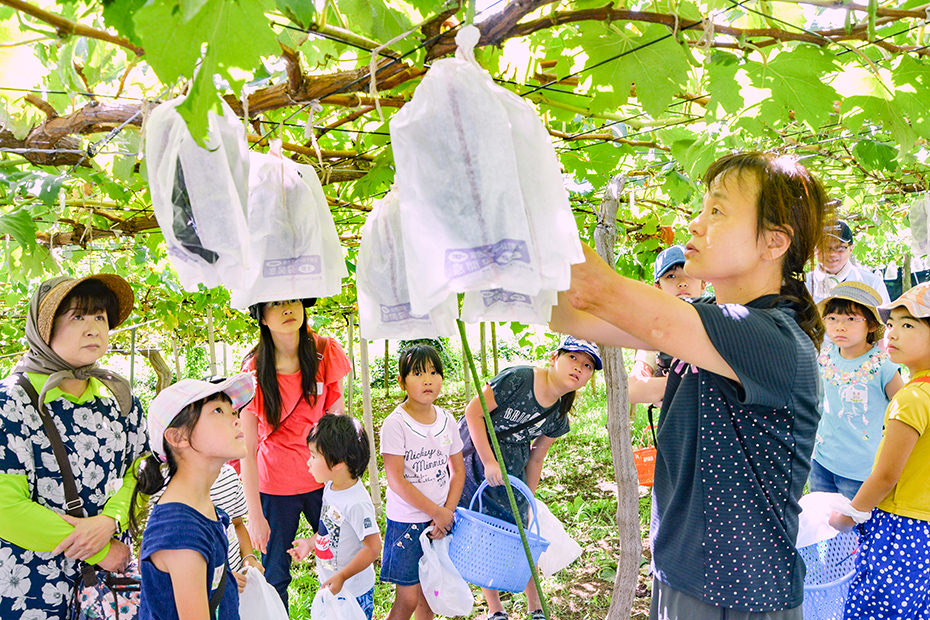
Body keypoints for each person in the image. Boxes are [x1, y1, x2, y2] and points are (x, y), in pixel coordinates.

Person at [551, 152, 828, 619]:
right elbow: (572, 314)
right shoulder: (710, 328)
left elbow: (595, 289)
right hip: (686, 572)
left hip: (737, 594)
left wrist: (516, 189)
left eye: (716, 211)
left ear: (774, 242)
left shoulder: (769, 336)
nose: (695, 225)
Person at [0, 274, 146, 619]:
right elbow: (5, 508)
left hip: (105, 591)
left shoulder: (119, 400)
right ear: (44, 327)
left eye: (100, 318)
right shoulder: (11, 402)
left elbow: (143, 469)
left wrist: (111, 519)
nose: (94, 328)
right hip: (28, 584)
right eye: (78, 317)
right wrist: (98, 550)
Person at [459, 335, 601, 620]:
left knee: (520, 531)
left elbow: (537, 456)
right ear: (554, 357)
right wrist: (489, 461)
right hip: (477, 453)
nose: (578, 368)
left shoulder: (559, 413)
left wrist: (528, 496)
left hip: (513, 463)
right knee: (487, 529)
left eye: (587, 365)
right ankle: (495, 608)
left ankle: (535, 606)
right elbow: (473, 413)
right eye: (573, 357)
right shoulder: (518, 379)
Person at [239, 298, 351, 608]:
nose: (287, 309)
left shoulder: (325, 351)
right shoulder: (253, 370)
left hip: (323, 482)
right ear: (261, 316)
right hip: (275, 486)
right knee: (275, 576)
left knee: (342, 557)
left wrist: (345, 488)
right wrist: (256, 515)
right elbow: (247, 449)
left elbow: (338, 430)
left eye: (292, 300)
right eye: (276, 303)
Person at [829, 282, 930, 619]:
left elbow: (887, 475)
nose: (893, 334)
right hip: (924, 527)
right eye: (891, 325)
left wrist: (850, 514)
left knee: (878, 607)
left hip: (900, 528)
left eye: (908, 325)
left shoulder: (912, 398)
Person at [132, 374, 255, 620]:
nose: (236, 420)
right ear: (178, 438)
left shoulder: (201, 507)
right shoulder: (179, 532)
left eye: (233, 412)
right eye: (218, 411)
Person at [380, 344, 465, 620]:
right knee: (408, 598)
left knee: (430, 597)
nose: (428, 379)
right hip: (407, 522)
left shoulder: (447, 420)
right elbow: (396, 480)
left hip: (440, 522)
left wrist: (446, 513)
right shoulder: (396, 423)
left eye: (433, 372)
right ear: (402, 381)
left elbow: (458, 471)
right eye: (417, 373)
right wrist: (436, 512)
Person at [810, 282, 903, 499]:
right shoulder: (824, 357)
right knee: (822, 525)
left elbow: (904, 408)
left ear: (871, 326)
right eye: (832, 318)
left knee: (856, 528)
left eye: (851, 319)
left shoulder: (883, 367)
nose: (839, 327)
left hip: (861, 470)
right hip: (822, 461)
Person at [288, 414, 382, 620]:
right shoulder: (331, 487)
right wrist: (310, 544)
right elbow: (329, 527)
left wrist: (342, 576)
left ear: (338, 462)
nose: (308, 462)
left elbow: (373, 547)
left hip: (354, 591)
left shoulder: (356, 502)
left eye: (313, 456)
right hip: (333, 585)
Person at [629, 245, 705, 406]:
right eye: (671, 276)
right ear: (658, 288)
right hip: (678, 426)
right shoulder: (655, 333)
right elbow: (634, 388)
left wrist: (665, 387)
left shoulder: (717, 322)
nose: (682, 283)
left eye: (690, 274)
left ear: (703, 284)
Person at [806, 220, 890, 304]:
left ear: (851, 249)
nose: (832, 253)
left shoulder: (872, 283)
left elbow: (885, 316)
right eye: (824, 247)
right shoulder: (803, 286)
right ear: (814, 250)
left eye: (840, 248)